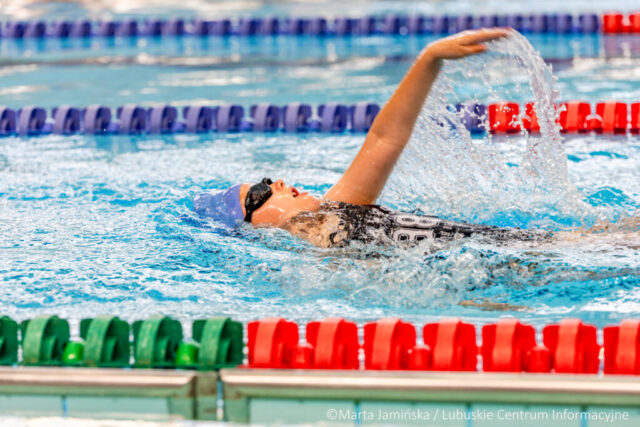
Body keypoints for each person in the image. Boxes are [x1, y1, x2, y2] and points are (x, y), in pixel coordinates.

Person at [194, 28, 545, 248]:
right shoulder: (322, 261)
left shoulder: (339, 207)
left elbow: (384, 138)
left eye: (267, 181)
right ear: (252, 228)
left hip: (522, 246)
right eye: (260, 192)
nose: (277, 183)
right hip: (511, 271)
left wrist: (430, 58)